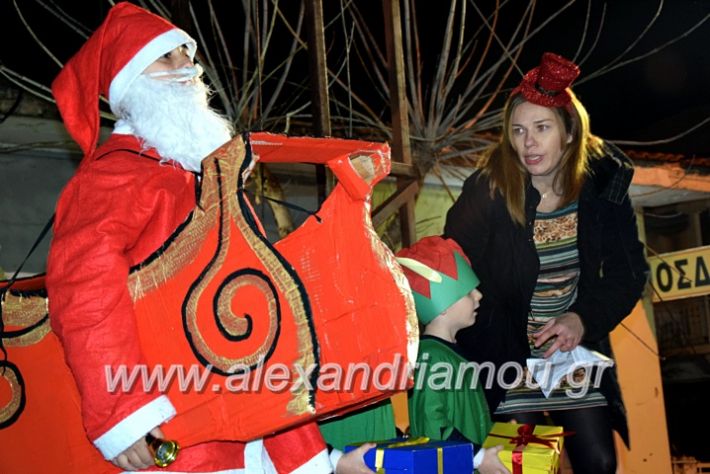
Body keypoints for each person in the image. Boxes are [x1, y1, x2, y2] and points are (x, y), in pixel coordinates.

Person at [46, 2, 371, 472]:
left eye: (186, 54)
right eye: (167, 58)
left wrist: (312, 459)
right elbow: (84, 294)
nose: (188, 69)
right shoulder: (113, 177)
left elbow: (263, 319)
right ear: (130, 82)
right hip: (172, 434)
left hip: (237, 426)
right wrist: (124, 412)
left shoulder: (211, 182)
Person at [444, 52, 649, 474]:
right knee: (526, 466)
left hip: (569, 354)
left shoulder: (603, 188)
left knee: (599, 461)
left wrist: (582, 319)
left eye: (541, 128)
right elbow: (454, 267)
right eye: (518, 131)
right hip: (505, 355)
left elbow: (629, 275)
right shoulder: (487, 189)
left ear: (569, 133)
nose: (528, 143)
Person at [396, 236, 509, 474]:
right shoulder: (431, 358)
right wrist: (477, 456)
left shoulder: (450, 351)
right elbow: (432, 425)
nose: (478, 296)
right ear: (443, 305)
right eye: (468, 292)